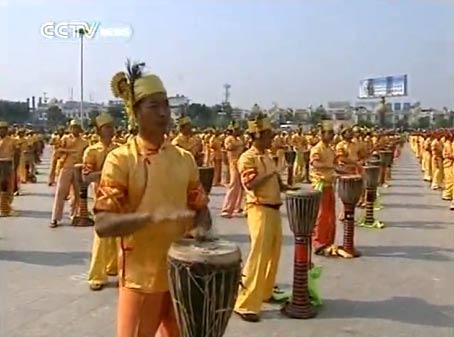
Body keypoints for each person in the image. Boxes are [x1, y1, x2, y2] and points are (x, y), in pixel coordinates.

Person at [95, 62, 210, 337]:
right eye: (153, 106)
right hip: (140, 279)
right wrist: (152, 217)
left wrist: (201, 230)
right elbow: (103, 224)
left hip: (182, 275)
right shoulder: (120, 159)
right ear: (135, 113)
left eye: (166, 105)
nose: (162, 113)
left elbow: (201, 211)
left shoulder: (185, 159)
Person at [234, 114, 290, 322]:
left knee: (273, 252)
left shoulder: (266, 155)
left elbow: (274, 178)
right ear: (256, 136)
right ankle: (245, 304)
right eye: (267, 135)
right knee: (258, 256)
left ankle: (265, 292)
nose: (271, 139)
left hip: (273, 208)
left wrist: (284, 186)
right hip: (259, 209)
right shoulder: (247, 157)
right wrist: (271, 173)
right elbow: (250, 184)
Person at [83, 112, 119, 291]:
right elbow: (87, 176)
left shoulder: (119, 149)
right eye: (107, 127)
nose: (111, 131)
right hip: (102, 196)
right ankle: (96, 275)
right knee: (101, 235)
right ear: (99, 130)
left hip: (119, 197)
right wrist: (108, 172)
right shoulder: (91, 151)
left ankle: (112, 267)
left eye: (112, 127)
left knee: (117, 235)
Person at [50, 120, 88, 228]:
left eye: (76, 127)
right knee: (60, 192)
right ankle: (55, 218)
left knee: (77, 194)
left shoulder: (85, 142)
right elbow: (57, 151)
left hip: (78, 168)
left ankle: (74, 215)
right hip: (66, 167)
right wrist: (69, 151)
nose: (74, 129)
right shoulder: (65, 139)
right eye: (73, 127)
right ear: (70, 128)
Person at [310, 120, 338, 256]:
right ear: (322, 134)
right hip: (320, 184)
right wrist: (331, 167)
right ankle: (318, 243)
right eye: (330, 133)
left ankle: (328, 241)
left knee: (330, 215)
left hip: (329, 184)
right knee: (321, 215)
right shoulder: (317, 148)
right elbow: (315, 164)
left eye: (333, 133)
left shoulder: (329, 148)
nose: (332, 135)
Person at [221, 122, 244, 218]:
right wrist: (240, 146)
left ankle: (237, 207)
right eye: (237, 129)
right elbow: (229, 147)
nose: (239, 131)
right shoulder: (229, 139)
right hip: (234, 163)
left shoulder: (239, 139)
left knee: (241, 186)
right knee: (234, 185)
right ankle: (226, 208)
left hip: (241, 163)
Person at [0, 121, 17, 215]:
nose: (2, 131)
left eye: (4, 129)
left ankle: (5, 208)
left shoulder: (12, 140)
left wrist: (16, 165)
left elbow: (17, 153)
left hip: (7, 163)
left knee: (5, 185)